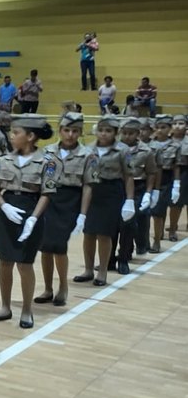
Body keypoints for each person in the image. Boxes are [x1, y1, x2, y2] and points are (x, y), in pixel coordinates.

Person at [0, 114, 59, 330]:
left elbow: (46, 193)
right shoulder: (5, 160)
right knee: (5, 262)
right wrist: (4, 206)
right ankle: (5, 306)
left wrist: (33, 220)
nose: (11, 136)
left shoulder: (47, 162)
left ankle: (27, 309)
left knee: (25, 264)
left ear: (30, 136)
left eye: (16, 132)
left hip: (31, 210)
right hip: (8, 211)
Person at [72, 116, 135, 286]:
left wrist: (129, 200)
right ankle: (88, 269)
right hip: (91, 191)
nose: (104, 134)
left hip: (111, 192)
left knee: (104, 233)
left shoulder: (123, 150)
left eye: (108, 131)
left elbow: (129, 176)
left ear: (116, 132)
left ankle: (102, 272)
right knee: (89, 232)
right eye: (101, 130)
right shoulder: (88, 149)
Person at [34, 112, 89, 306]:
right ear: (60, 131)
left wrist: (82, 214)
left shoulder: (87, 154)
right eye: (66, 130)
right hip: (49, 199)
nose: (70, 135)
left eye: (75, 131)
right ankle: (48, 288)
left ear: (80, 132)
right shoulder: (48, 151)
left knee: (58, 245)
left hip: (70, 200)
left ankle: (63, 287)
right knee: (45, 246)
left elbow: (88, 185)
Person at [115, 117, 156, 266]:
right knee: (114, 224)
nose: (127, 136)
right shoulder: (114, 149)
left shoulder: (146, 151)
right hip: (117, 186)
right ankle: (109, 258)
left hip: (138, 187)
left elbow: (152, 172)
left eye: (131, 133)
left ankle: (124, 256)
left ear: (138, 133)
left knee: (129, 222)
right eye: (124, 133)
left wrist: (149, 193)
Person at [147, 115, 180, 253]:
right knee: (145, 213)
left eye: (163, 127)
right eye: (157, 127)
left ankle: (157, 241)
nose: (160, 130)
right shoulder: (148, 145)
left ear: (170, 129)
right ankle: (145, 239)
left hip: (166, 180)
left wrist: (177, 185)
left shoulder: (175, 146)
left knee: (158, 212)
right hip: (148, 178)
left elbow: (177, 165)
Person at [168, 114, 187, 241]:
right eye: (175, 123)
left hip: (185, 171)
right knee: (175, 203)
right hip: (169, 172)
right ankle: (173, 228)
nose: (177, 126)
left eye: (181, 123)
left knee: (182, 201)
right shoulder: (166, 140)